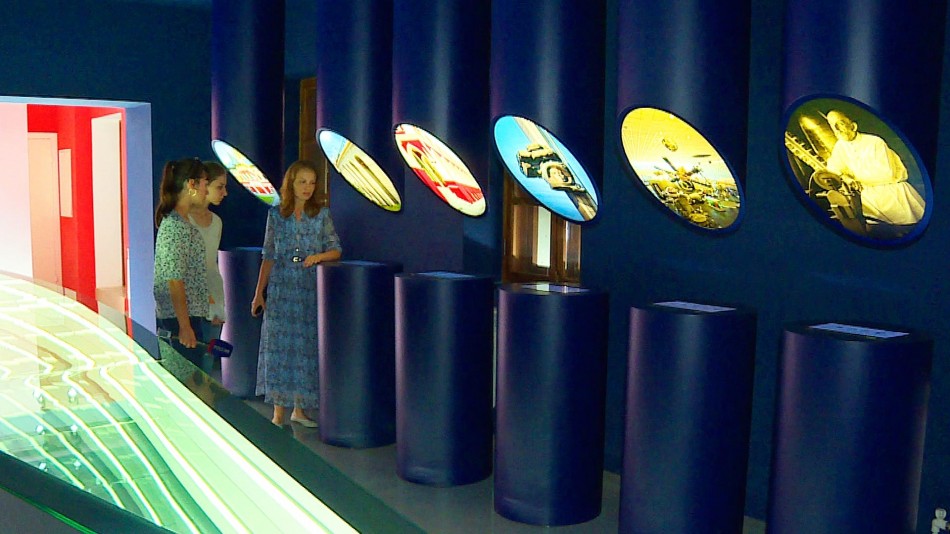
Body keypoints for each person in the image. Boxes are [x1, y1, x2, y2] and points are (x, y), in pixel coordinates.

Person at [251, 160, 342, 427]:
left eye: (312, 182)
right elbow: (268, 255)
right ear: (291, 183)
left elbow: (336, 249)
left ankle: (299, 410)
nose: (307, 187)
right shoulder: (276, 214)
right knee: (278, 346)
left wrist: (318, 257)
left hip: (308, 287)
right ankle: (278, 412)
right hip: (281, 285)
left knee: (305, 347)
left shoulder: (321, 214)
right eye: (302, 181)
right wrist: (259, 293)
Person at [823, 109, 925, 234]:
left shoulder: (875, 142)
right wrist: (846, 177)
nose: (836, 129)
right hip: (869, 199)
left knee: (908, 231)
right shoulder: (840, 146)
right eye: (832, 126)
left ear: (853, 126)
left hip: (893, 195)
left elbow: (886, 174)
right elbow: (833, 168)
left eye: (840, 124)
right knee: (875, 233)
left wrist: (855, 178)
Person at [153, 158, 211, 372]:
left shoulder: (181, 223)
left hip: (186, 318)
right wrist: (185, 326)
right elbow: (174, 280)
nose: (206, 190)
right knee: (188, 382)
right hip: (179, 321)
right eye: (205, 183)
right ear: (191, 184)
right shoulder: (175, 227)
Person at [189, 161, 229, 344]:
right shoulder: (183, 220)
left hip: (213, 299)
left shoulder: (217, 222)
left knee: (211, 352)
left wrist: (217, 304)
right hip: (188, 303)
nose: (224, 193)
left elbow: (211, 266)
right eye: (219, 187)